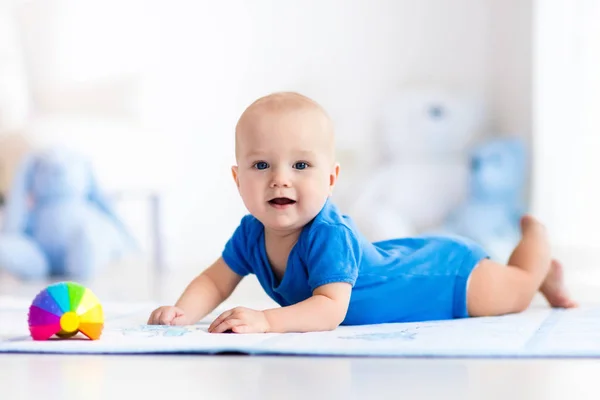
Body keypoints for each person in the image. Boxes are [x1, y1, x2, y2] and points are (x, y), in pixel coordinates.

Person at [148, 92, 577, 334]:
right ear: (237, 178)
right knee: (515, 290)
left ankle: (536, 245)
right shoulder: (250, 234)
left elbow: (329, 309)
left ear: (331, 178)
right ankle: (548, 277)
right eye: (261, 165)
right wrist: (183, 312)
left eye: (301, 166)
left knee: (515, 293)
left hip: (446, 278)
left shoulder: (327, 233)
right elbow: (214, 279)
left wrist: (266, 320)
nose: (281, 180)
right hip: (405, 258)